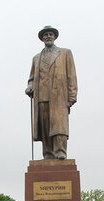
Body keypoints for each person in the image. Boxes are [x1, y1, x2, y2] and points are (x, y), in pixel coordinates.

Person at [26, 25, 78, 160]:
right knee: (45, 127)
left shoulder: (65, 53)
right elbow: (31, 79)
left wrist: (72, 97)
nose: (48, 36)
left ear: (54, 37)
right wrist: (30, 86)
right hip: (41, 96)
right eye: (45, 35)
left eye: (50, 34)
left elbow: (71, 76)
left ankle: (60, 151)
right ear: (42, 38)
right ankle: (48, 153)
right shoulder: (36, 58)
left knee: (59, 126)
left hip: (59, 96)